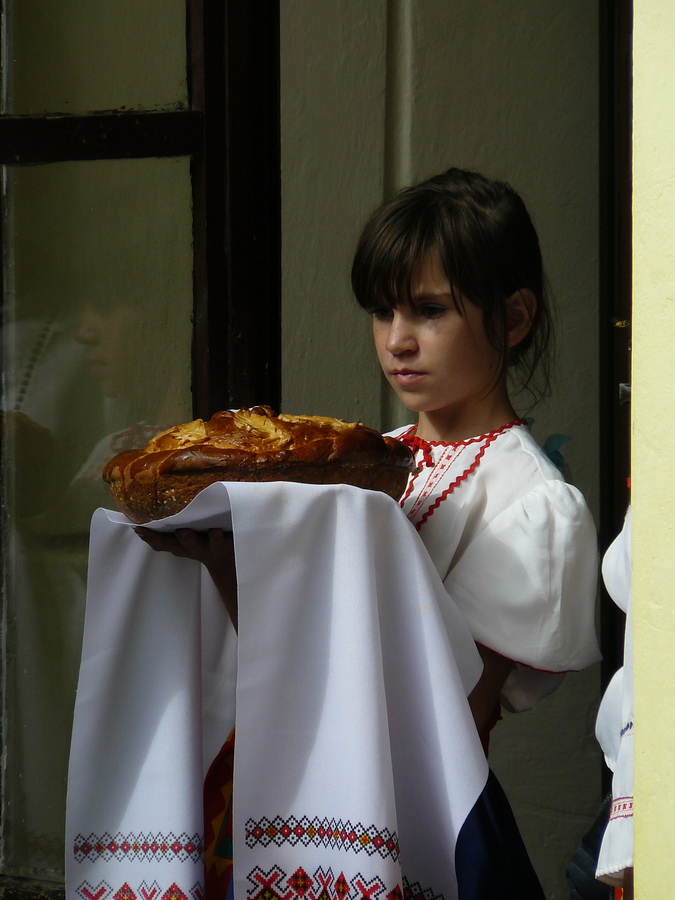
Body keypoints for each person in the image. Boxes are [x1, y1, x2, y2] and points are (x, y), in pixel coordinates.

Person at [350, 167, 601, 750]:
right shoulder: (368, 462)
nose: (396, 341)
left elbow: (454, 724)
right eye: (382, 311)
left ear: (513, 318)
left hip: (417, 817)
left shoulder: (529, 502)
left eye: (430, 310)